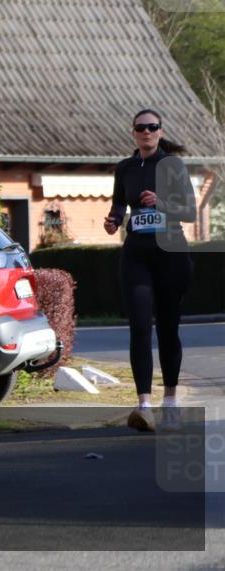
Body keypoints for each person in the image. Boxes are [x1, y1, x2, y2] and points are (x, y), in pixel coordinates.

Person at [104, 108, 196, 432]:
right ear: (133, 133)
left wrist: (160, 203)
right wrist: (113, 220)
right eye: (141, 128)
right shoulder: (125, 168)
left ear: (160, 132)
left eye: (152, 127)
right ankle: (144, 405)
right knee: (140, 327)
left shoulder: (173, 166)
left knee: (167, 329)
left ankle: (169, 401)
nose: (146, 132)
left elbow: (189, 212)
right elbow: (119, 204)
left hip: (171, 254)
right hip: (137, 256)